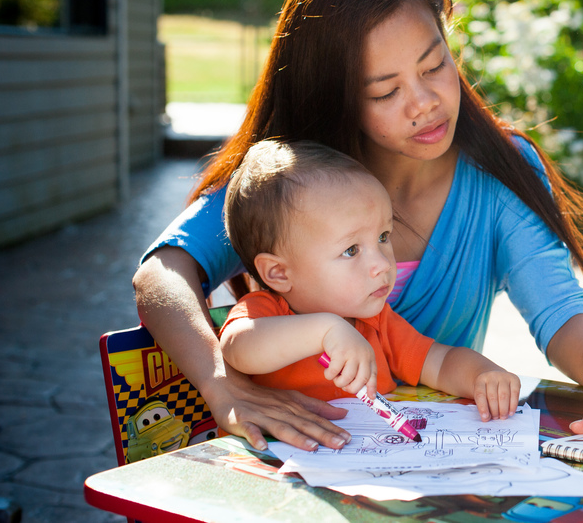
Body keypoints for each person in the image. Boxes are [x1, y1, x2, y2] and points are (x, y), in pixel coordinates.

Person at [133, 0, 583, 453]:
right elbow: (161, 274)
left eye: (435, 65)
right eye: (386, 91)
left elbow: (559, 314)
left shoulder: (501, 170)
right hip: (301, 454)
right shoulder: (292, 183)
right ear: (335, 97)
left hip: (423, 460)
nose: (424, 103)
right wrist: (220, 382)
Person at [218, 139, 520, 423]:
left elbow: (439, 361)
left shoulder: (376, 322)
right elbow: (238, 349)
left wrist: (482, 375)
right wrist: (325, 331)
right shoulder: (264, 312)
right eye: (351, 250)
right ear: (278, 273)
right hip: (280, 464)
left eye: (383, 237)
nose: (381, 263)